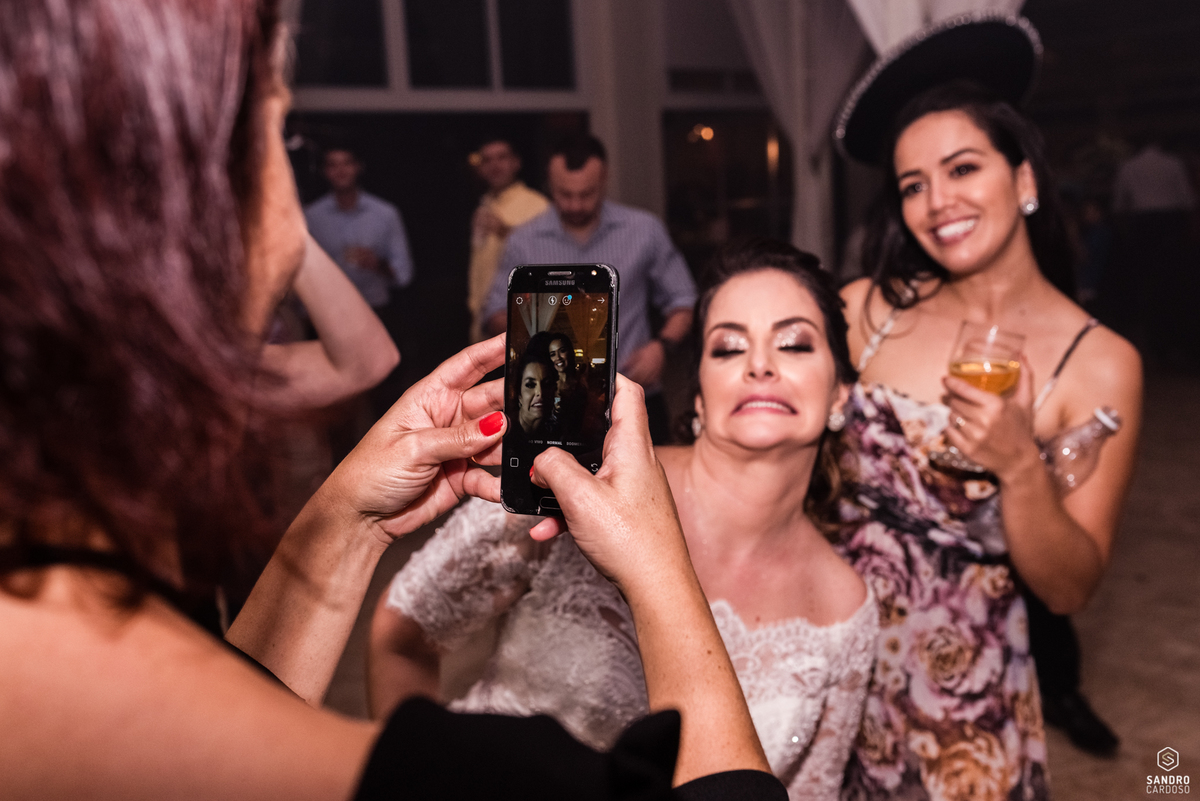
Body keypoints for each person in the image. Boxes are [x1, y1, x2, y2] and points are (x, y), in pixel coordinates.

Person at [0, 2, 796, 798]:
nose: (293, 219)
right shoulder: (483, 778)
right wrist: (661, 569)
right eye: (278, 139)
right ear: (177, 202)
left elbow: (210, 716)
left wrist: (350, 516)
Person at [370, 239, 880, 800]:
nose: (760, 365)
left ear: (841, 393)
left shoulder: (845, 607)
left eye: (793, 343)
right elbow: (399, 636)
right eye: (729, 348)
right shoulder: (576, 488)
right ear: (699, 397)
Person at [833, 15, 1142, 799]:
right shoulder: (865, 312)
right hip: (828, 677)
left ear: (1025, 180)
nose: (937, 202)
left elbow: (1070, 588)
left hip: (962, 712)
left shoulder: (1098, 362)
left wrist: (1018, 467)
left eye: (963, 168)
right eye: (913, 185)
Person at [480, 135, 697, 444]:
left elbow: (684, 299)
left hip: (632, 393)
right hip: (553, 400)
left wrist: (661, 347)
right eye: (564, 194)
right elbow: (494, 313)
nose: (575, 204)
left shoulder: (644, 230)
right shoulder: (523, 241)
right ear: (550, 184)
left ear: (604, 179)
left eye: (586, 194)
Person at [467, 138, 549, 342]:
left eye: (502, 158)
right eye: (487, 160)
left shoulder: (537, 205)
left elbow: (547, 256)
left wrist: (505, 231)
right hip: (484, 324)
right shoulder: (485, 205)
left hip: (521, 325)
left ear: (516, 163)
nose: (494, 165)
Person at [513, 346, 558, 437]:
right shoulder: (507, 432)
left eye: (547, 384)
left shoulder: (558, 432)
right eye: (530, 385)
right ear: (519, 394)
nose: (540, 392)